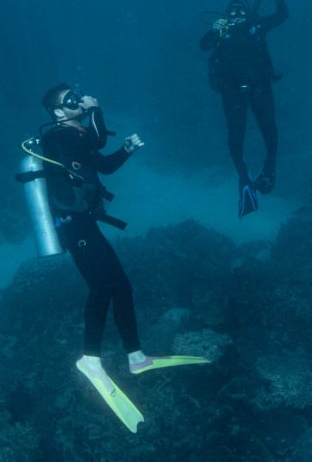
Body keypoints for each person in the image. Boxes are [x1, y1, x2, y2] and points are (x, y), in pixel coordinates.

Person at [37, 83, 208, 432]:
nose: (77, 101)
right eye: (70, 100)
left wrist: (127, 149)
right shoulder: (58, 137)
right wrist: (95, 109)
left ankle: (136, 357)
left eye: (76, 95)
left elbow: (104, 165)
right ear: (57, 112)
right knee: (102, 288)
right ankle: (90, 360)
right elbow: (97, 141)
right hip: (74, 227)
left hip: (85, 223)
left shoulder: (75, 138)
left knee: (122, 287)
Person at [200, 0, 288, 217]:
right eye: (233, 11)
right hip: (233, 92)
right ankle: (244, 176)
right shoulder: (222, 32)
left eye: (241, 11)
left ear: (248, 13)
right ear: (226, 15)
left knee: (269, 129)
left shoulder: (256, 26)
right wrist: (214, 29)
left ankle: (269, 168)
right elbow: (203, 45)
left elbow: (282, 15)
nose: (237, 15)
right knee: (235, 136)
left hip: (260, 88)